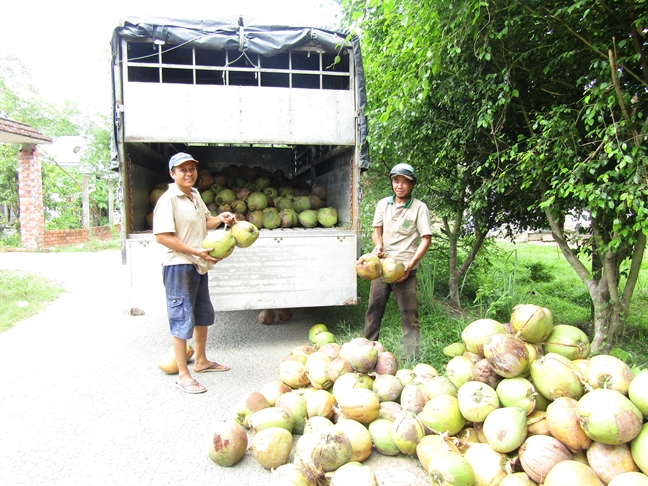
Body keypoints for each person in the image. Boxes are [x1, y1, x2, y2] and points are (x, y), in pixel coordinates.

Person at [153, 152, 235, 394]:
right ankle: (183, 375)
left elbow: (206, 222)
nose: (188, 173)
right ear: (172, 174)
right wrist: (196, 252)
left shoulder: (195, 195)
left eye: (192, 169)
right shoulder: (168, 199)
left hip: (197, 264)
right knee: (181, 318)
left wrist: (221, 218)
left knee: (201, 314)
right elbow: (162, 237)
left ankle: (201, 361)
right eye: (182, 170)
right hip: (179, 265)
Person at [363, 163, 432, 359]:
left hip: (404, 270)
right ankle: (366, 353)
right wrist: (378, 245)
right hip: (381, 267)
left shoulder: (419, 208)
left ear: (411, 185)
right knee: (373, 311)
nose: (399, 185)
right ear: (392, 182)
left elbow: (426, 238)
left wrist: (410, 265)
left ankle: (412, 358)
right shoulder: (383, 204)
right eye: (396, 181)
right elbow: (377, 230)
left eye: (404, 182)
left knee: (409, 316)